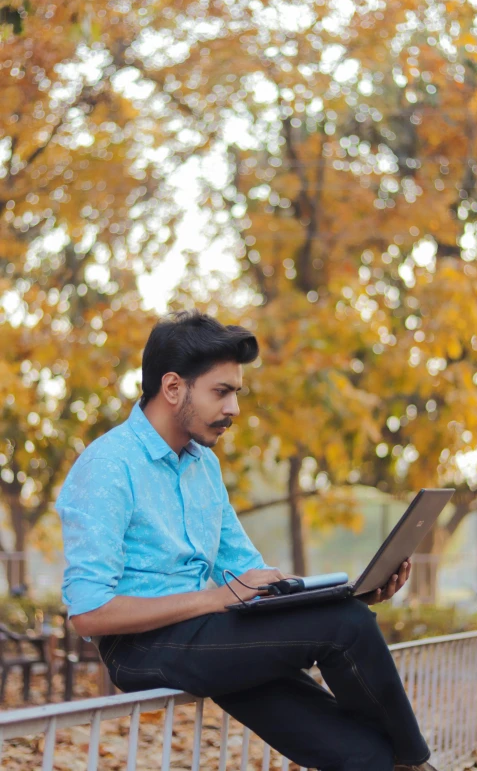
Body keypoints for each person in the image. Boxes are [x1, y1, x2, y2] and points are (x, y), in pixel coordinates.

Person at [57, 310, 437, 771]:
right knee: (348, 625)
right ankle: (417, 763)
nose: (234, 408)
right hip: (141, 648)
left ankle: (393, 759)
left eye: (235, 393)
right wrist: (215, 598)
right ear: (173, 387)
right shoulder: (108, 467)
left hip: (209, 637)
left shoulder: (202, 466)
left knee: (361, 754)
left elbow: (246, 573)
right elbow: (90, 613)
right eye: (222, 392)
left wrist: (329, 593)